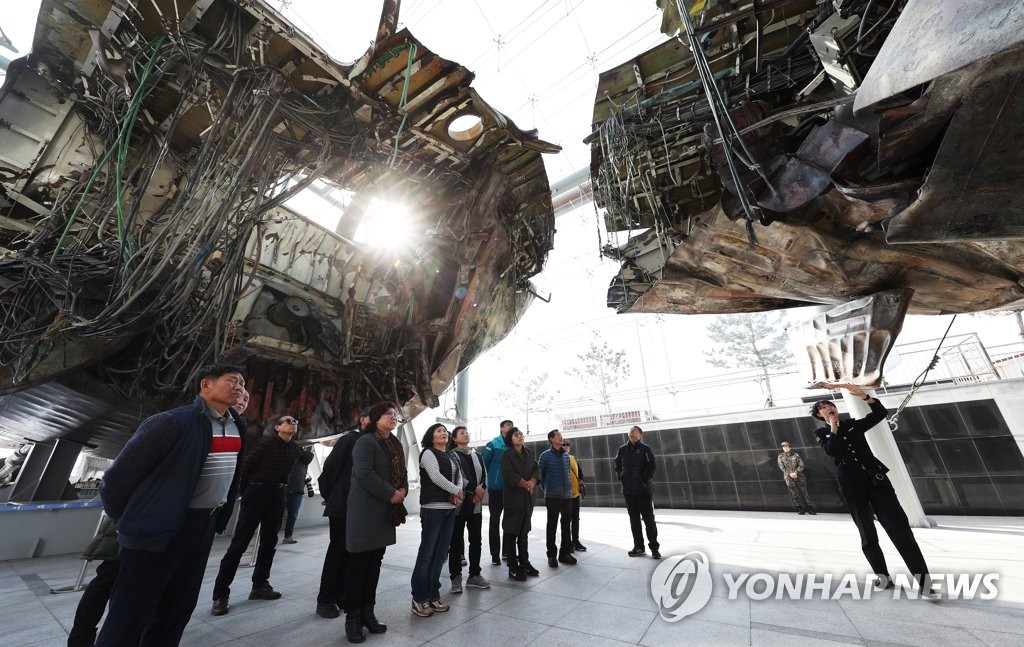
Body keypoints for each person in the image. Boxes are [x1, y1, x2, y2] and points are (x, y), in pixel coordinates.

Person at [95, 364, 247, 647]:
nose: (239, 387)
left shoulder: (238, 426)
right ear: (206, 386)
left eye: (242, 382)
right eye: (232, 381)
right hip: (156, 533)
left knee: (177, 609)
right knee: (130, 614)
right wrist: (137, 522)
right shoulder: (171, 422)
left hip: (202, 528)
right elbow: (115, 481)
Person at [811, 383, 933, 594]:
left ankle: (924, 582)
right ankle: (883, 577)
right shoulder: (822, 432)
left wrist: (865, 397)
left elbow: (880, 413)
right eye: (822, 406)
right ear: (819, 414)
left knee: (899, 529)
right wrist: (833, 427)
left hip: (877, 481)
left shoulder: (852, 425)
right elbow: (832, 451)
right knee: (867, 533)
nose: (828, 407)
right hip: (852, 487)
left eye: (830, 404)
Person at [211, 413, 302, 616]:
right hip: (257, 492)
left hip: (278, 494)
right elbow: (245, 469)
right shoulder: (265, 445)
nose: (293, 423)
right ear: (277, 427)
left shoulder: (295, 449)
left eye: (295, 421)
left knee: (269, 543)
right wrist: (247, 493)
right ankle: (220, 595)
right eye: (288, 421)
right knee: (239, 544)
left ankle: (260, 585)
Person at [343, 402, 408, 643]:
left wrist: (402, 489)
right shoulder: (365, 442)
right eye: (388, 414)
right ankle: (352, 617)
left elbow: (402, 474)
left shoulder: (396, 443)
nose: (393, 417)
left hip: (384, 511)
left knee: (374, 563)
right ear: (374, 418)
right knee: (359, 564)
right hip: (365, 510)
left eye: (394, 414)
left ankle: (368, 612)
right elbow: (364, 473)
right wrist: (391, 493)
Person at [315, 408, 370, 620]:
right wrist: (332, 497)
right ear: (363, 420)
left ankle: (341, 595)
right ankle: (326, 599)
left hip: (361, 509)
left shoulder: (373, 442)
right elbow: (329, 470)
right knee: (338, 551)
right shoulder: (350, 439)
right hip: (343, 506)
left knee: (351, 553)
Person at [411, 424, 463, 617]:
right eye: (438, 431)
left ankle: (433, 594)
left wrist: (457, 492)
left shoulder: (452, 455)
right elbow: (435, 477)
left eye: (445, 431)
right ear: (430, 436)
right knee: (427, 554)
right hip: (433, 509)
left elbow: (459, 477)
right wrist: (456, 491)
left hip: (450, 509)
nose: (443, 433)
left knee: (441, 555)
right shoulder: (428, 453)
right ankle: (419, 597)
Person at [447, 426, 490, 593]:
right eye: (462, 433)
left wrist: (481, 489)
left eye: (467, 432)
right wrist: (474, 488)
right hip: (459, 503)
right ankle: (455, 577)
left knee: (476, 540)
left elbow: (484, 474)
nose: (466, 434)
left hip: (475, 503)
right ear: (455, 439)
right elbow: (455, 477)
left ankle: (474, 575)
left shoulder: (477, 455)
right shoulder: (451, 455)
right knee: (455, 542)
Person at [614, 425, 661, 559]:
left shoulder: (645, 449)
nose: (632, 435)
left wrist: (644, 480)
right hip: (628, 492)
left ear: (640, 435)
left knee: (649, 521)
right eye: (630, 433)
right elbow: (617, 464)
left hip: (643, 491)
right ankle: (639, 547)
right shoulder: (622, 449)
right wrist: (620, 476)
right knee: (634, 521)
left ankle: (654, 548)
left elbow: (652, 466)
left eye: (634, 433)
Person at [501, 427, 541, 581]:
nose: (520, 437)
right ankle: (512, 566)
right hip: (513, 498)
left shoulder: (529, 453)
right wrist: (523, 483)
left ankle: (524, 562)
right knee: (511, 532)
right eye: (516, 435)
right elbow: (507, 473)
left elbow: (537, 469)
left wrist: (532, 481)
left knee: (524, 532)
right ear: (510, 439)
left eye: (521, 435)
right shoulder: (507, 455)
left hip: (528, 499)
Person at [538, 429, 577, 568]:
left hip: (567, 495)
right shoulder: (545, 456)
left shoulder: (566, 456)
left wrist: (569, 489)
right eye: (558, 436)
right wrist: (547, 489)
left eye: (561, 436)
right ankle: (552, 555)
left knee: (567, 524)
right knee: (552, 525)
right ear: (551, 439)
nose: (561, 438)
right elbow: (539, 476)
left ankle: (564, 553)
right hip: (552, 496)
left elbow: (567, 474)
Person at [482, 419, 512, 565]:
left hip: (511, 490)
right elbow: (484, 465)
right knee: (495, 521)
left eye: (512, 425)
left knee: (509, 522)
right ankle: (495, 554)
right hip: (495, 490)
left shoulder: (515, 445)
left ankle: (506, 552)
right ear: (501, 429)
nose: (511, 427)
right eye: (508, 425)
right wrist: (489, 481)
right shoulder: (493, 444)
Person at [283, 444, 315, 543]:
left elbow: (310, 455)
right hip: (286, 490)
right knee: (281, 515)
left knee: (292, 515)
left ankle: (288, 536)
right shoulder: (288, 458)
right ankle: (278, 536)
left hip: (296, 491)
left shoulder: (303, 459)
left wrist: (297, 450)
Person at [778, 441, 816, 514]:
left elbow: (801, 465)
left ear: (790, 447)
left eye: (786, 446)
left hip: (799, 476)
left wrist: (795, 472)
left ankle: (810, 508)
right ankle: (800, 508)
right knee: (794, 493)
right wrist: (790, 474)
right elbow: (781, 467)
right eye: (783, 447)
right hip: (788, 477)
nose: (785, 448)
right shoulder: (780, 456)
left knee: (804, 492)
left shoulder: (796, 455)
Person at [564, 440, 587, 552]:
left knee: (575, 519)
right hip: (565, 495)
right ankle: (567, 543)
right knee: (566, 520)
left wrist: (580, 482)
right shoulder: (559, 458)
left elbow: (580, 473)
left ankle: (576, 541)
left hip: (575, 494)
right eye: (563, 444)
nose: (566, 446)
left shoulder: (572, 458)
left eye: (567, 445)